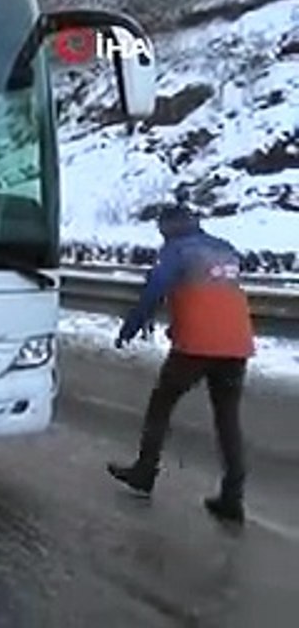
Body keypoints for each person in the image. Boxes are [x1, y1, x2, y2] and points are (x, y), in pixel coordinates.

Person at [107, 205, 255, 523]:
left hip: (196, 346)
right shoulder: (225, 249)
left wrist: (130, 327)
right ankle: (233, 496)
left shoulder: (177, 250)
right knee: (227, 419)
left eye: (162, 228)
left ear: (170, 226)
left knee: (161, 404)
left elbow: (154, 291)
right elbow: (211, 297)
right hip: (236, 345)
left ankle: (145, 471)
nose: (161, 235)